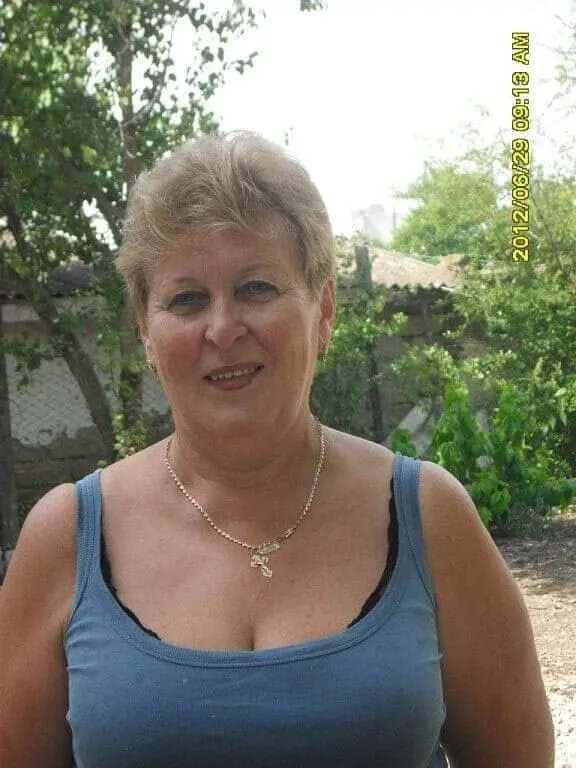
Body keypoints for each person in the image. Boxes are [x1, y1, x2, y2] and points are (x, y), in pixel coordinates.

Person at [0, 131, 553, 768]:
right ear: (146, 332)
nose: (223, 328)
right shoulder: (65, 540)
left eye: (257, 288)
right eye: (187, 299)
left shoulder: (429, 517)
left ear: (324, 309)